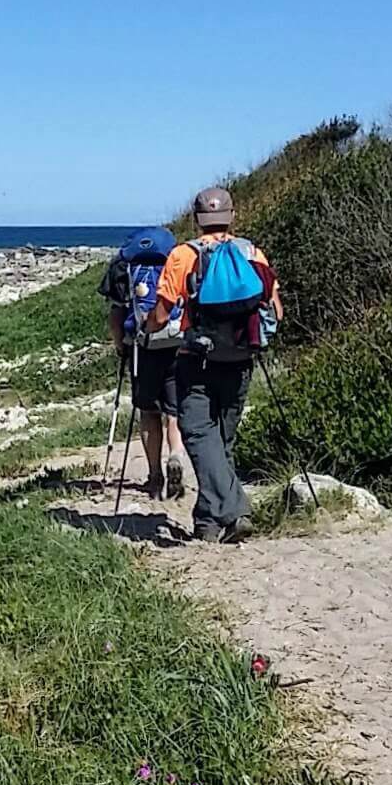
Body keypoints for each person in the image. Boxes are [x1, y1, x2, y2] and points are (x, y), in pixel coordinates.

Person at [144, 187, 282, 543]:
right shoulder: (252, 253)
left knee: (197, 433)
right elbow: (275, 310)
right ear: (232, 216)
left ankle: (236, 510)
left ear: (196, 219)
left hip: (197, 360)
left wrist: (146, 329)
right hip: (241, 358)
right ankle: (208, 524)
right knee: (223, 440)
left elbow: (160, 315)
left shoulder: (183, 255)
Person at [99, 229, 189, 497]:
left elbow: (116, 316)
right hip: (177, 342)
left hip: (142, 346)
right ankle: (175, 455)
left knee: (149, 411)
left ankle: (154, 475)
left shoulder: (122, 266)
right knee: (175, 411)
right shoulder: (178, 259)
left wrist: (120, 346)